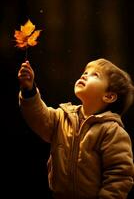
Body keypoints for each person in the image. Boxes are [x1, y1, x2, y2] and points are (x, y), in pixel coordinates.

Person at [18, 58, 134, 199]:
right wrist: (29, 90)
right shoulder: (61, 118)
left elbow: (119, 176)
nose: (84, 75)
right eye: (85, 72)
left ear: (108, 96)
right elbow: (39, 118)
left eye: (95, 74)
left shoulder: (112, 132)